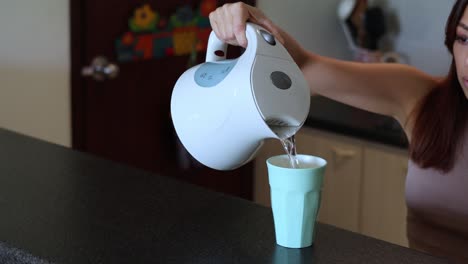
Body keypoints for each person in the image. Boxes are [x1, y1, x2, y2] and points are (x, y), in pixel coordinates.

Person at [209, 1, 468, 263]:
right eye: (464, 38)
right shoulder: (424, 99)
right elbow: (305, 68)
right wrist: (254, 23)